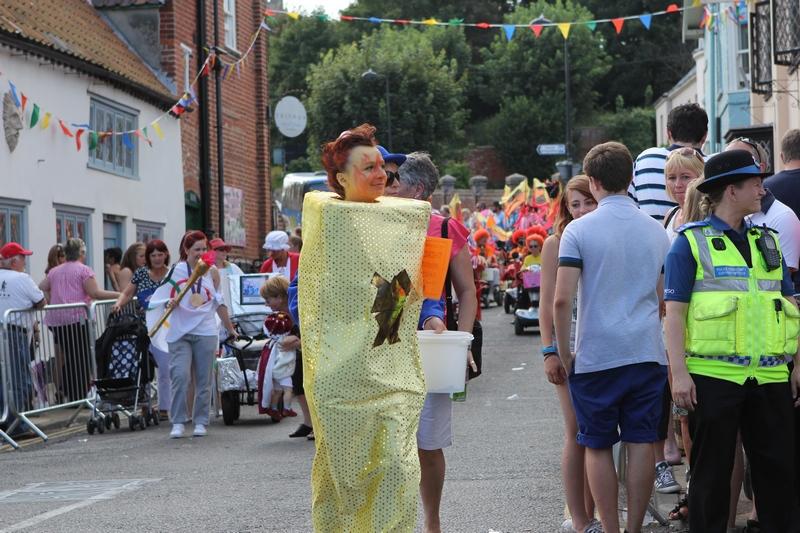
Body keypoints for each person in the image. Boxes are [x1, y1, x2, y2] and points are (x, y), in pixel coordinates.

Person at [300, 123, 433, 531]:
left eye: (382, 168)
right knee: (347, 478)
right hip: (339, 375)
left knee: (397, 465)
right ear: (340, 179)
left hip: (391, 370)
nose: (380, 176)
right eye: (368, 168)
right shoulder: (328, 219)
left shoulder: (403, 219)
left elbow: (404, 285)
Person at [664, 150, 799, 533]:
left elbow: (789, 304)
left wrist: (798, 364)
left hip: (771, 376)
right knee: (710, 477)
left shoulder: (767, 241)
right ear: (729, 190)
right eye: (753, 182)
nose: (762, 187)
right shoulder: (689, 243)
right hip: (713, 377)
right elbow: (673, 313)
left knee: (779, 478)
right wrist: (679, 375)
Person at [554, 142, 670, 533]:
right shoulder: (657, 231)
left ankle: (609, 528)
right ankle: (634, 527)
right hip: (646, 351)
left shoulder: (578, 231)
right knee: (640, 442)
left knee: (597, 443)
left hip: (597, 354)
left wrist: (563, 352)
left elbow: (561, 299)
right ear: (631, 178)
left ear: (595, 182)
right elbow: (660, 296)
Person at [388, 151, 478, 533]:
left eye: (395, 181)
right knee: (388, 440)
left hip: (432, 342)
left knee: (428, 441)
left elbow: (467, 292)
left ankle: (432, 520)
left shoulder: (444, 228)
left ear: (417, 188)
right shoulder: (377, 222)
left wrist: (464, 343)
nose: (388, 186)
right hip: (385, 341)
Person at [538, 175, 600, 533]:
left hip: (602, 344)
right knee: (577, 429)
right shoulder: (556, 243)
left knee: (599, 433)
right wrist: (550, 351)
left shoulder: (603, 236)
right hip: (568, 346)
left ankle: (595, 512)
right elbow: (548, 304)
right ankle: (579, 518)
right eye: (574, 204)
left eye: (588, 202)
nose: (581, 210)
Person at [160, 231, 238, 439]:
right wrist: (169, 303)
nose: (201, 253)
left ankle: (201, 421)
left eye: (204, 249)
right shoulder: (175, 271)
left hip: (205, 331)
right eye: (197, 250)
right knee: (180, 376)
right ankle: (177, 421)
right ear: (186, 251)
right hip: (180, 332)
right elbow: (162, 297)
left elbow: (218, 301)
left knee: (204, 380)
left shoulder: (212, 272)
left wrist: (230, 329)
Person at [40, 238, 119, 402]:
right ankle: (77, 395)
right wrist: (121, 295)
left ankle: (65, 391)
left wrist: (52, 298)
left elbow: (41, 286)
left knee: (70, 356)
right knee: (81, 358)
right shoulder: (84, 270)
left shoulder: (55, 271)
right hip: (77, 319)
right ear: (81, 253)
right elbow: (95, 293)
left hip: (57, 321)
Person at [111, 239, 172, 419]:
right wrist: (118, 304)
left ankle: (164, 408)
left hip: (166, 327)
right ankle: (145, 405)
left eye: (160, 254)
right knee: (142, 366)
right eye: (153, 255)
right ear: (148, 258)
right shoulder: (141, 274)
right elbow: (127, 293)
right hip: (144, 327)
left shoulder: (172, 274)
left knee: (164, 368)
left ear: (166, 255)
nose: (157, 258)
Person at [630, 103, 708, 222]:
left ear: (668, 133)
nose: (678, 184)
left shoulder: (645, 159)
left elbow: (630, 204)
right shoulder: (714, 166)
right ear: (704, 136)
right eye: (671, 178)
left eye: (685, 177)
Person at [0, 243, 45, 433]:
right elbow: (41, 302)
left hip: (5, 328)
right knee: (19, 379)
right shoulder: (22, 278)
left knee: (2, 380)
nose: (25, 261)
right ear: (14, 261)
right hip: (13, 332)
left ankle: (5, 421)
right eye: (23, 257)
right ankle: (16, 424)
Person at [258, 276, 299, 419]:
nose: (266, 305)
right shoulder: (280, 316)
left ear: (279, 297)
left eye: (268, 300)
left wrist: (298, 342)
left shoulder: (297, 310)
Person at [209, 238, 244, 311]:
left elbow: (244, 283)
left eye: (226, 250)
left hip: (232, 305)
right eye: (221, 250)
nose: (225, 252)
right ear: (212, 252)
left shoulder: (233, 267)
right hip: (212, 306)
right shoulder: (207, 270)